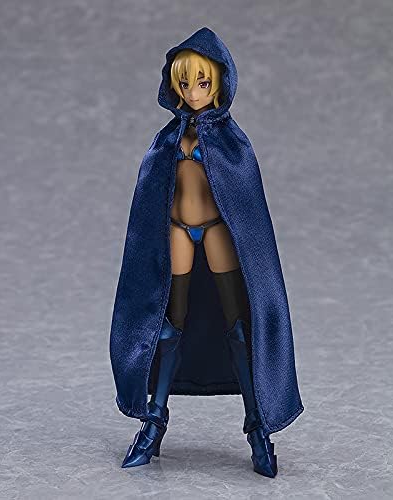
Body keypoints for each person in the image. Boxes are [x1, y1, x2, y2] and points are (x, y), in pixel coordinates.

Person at [110, 27, 304, 478]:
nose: (194, 92)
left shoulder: (232, 143)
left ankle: (257, 428)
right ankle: (153, 424)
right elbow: (150, 198)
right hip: (177, 232)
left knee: (240, 328)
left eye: (203, 82)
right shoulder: (167, 140)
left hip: (217, 232)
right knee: (166, 328)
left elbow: (246, 205)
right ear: (173, 86)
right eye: (185, 83)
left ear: (219, 83)